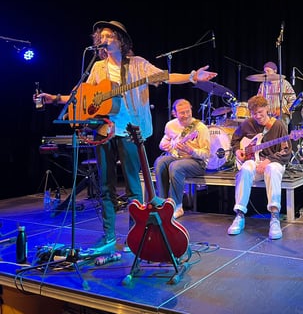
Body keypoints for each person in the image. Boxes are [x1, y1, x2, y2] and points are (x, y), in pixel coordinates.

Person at [36, 20, 217, 254]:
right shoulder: (97, 67)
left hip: (130, 131)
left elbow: (165, 76)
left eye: (110, 35)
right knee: (105, 185)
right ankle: (109, 235)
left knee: (132, 185)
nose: (104, 39)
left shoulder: (138, 64)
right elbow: (81, 96)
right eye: (102, 36)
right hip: (103, 130)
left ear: (121, 40)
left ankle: (135, 235)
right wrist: (55, 98)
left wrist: (193, 76)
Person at [227, 95, 292, 240]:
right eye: (254, 113)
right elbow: (235, 140)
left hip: (274, 163)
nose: (257, 116)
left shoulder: (278, 125)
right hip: (254, 163)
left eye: (260, 112)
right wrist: (237, 151)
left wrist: (269, 160)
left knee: (272, 169)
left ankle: (274, 217)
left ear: (267, 108)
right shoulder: (247, 124)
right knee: (245, 168)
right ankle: (239, 215)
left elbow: (286, 151)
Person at [154, 98, 210, 219]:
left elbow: (206, 154)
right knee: (160, 162)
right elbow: (165, 140)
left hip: (196, 162)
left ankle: (177, 206)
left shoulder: (200, 128)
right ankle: (163, 203)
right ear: (174, 113)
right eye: (182, 113)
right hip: (177, 157)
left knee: (175, 167)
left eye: (188, 111)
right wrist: (165, 145)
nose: (186, 115)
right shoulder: (170, 125)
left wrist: (191, 151)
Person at [257, 61, 297, 130]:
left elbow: (294, 101)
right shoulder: (263, 85)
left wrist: (282, 110)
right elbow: (258, 101)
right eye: (265, 71)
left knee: (281, 120)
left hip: (282, 114)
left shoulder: (284, 83)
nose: (266, 73)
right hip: (267, 115)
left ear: (275, 71)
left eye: (268, 71)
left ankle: (282, 137)